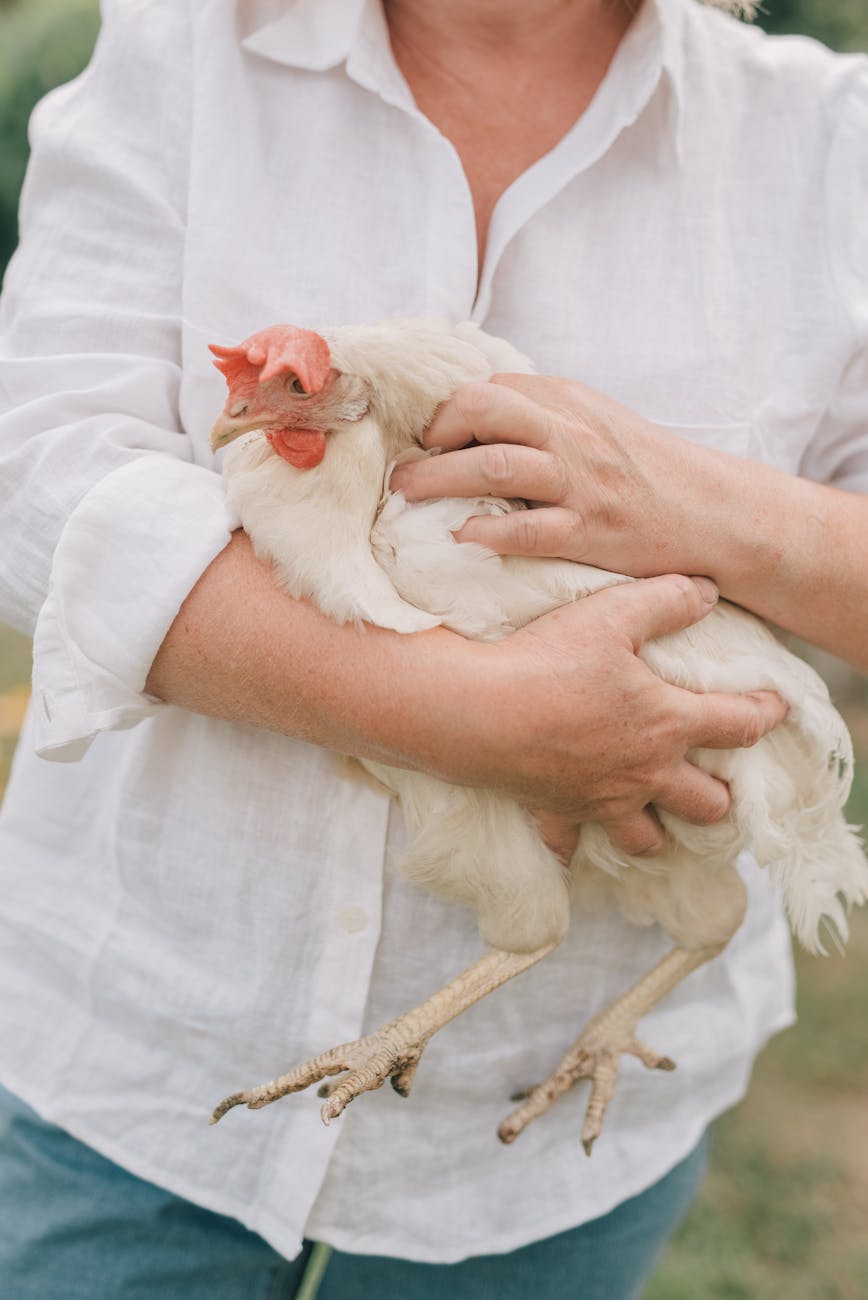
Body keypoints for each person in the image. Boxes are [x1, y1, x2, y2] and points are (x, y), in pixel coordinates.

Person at [0, 0, 865, 1296]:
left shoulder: (824, 143)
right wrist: (466, 716)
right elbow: (40, 474)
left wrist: (696, 503)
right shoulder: (188, 48)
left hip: (545, 1144)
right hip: (141, 1061)